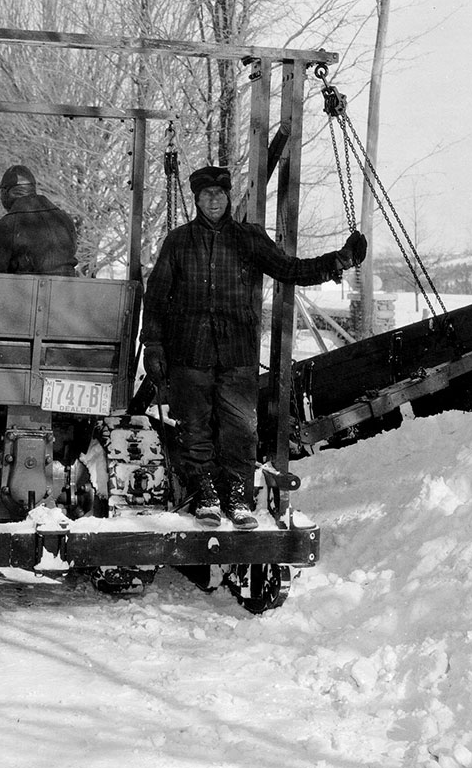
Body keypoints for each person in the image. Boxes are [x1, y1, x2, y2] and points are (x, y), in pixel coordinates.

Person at [141, 164, 367, 529]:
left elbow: (289, 269)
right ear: (197, 199)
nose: (213, 201)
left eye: (219, 194)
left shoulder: (248, 237)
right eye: (206, 195)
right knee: (194, 427)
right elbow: (156, 296)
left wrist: (338, 261)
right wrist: (153, 343)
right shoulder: (178, 241)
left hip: (236, 353)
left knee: (241, 429)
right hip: (189, 351)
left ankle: (238, 498)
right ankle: (206, 496)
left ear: (228, 198)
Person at [0, 164, 78, 276]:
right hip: (67, 290)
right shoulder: (64, 219)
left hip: (24, 291)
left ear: (6, 192)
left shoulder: (7, 225)